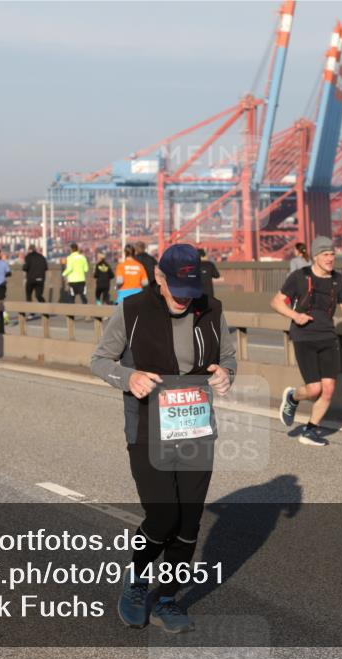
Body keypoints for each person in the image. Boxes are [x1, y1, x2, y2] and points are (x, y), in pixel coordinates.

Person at [91, 243, 236, 634]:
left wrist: (225, 375)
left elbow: (229, 359)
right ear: (158, 277)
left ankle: (168, 597)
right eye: (176, 287)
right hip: (146, 431)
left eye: (190, 289)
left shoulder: (213, 309)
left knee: (188, 524)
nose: (184, 297)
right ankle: (137, 582)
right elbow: (100, 360)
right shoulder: (133, 310)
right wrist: (129, 377)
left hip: (195, 429)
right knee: (163, 516)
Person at [271, 236, 342, 446]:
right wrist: (295, 316)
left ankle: (310, 431)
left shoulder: (338, 279)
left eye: (332, 255)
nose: (330, 259)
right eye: (326, 255)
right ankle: (293, 397)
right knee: (314, 389)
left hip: (328, 337)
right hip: (304, 336)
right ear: (315, 256)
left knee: (328, 388)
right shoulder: (299, 277)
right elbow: (275, 302)